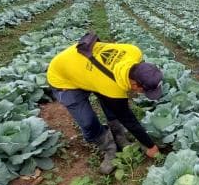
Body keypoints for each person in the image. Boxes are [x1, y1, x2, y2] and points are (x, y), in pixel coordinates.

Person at [47, 36, 162, 174]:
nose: (143, 94)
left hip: (88, 70)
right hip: (62, 77)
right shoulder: (110, 86)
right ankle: (109, 149)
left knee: (110, 100)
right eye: (145, 90)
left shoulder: (134, 51)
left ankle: (119, 137)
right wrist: (150, 146)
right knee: (88, 121)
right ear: (134, 83)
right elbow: (128, 118)